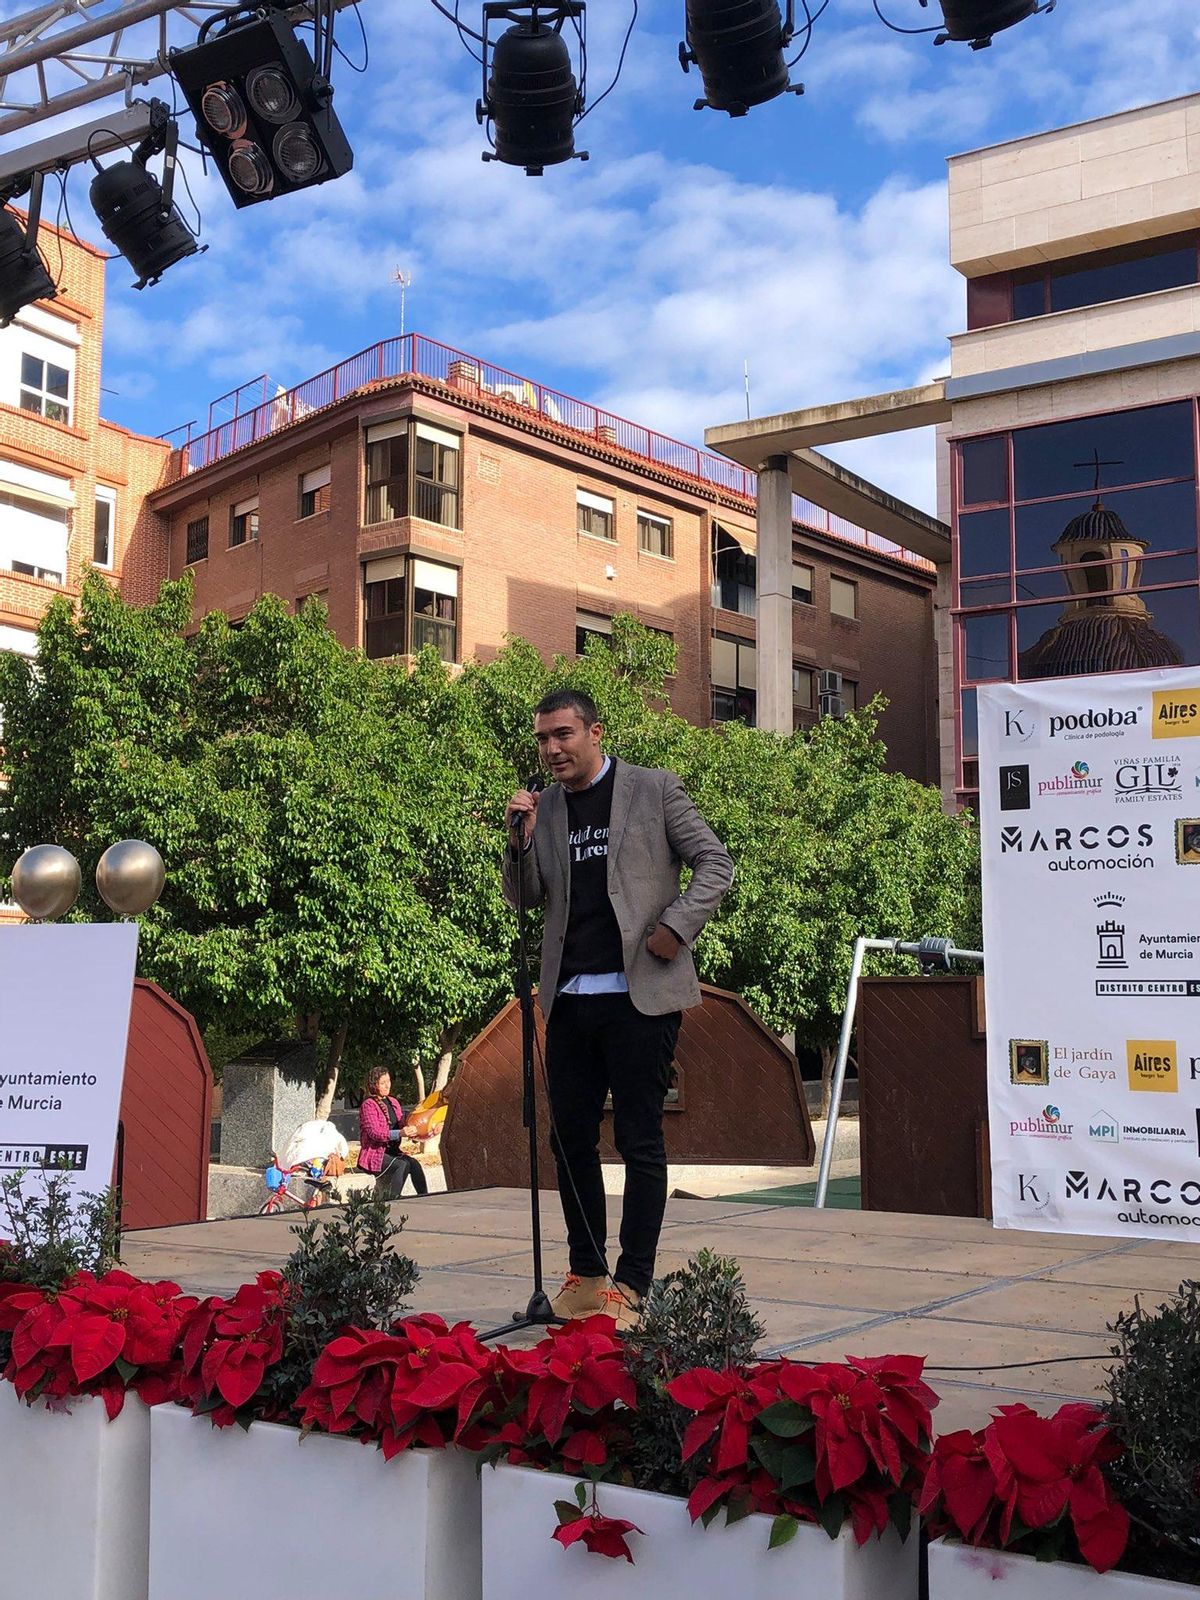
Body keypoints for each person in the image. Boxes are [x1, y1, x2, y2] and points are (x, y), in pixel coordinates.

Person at [503, 688, 733, 1332]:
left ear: (595, 733)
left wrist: (678, 926)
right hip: (570, 999)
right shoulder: (543, 810)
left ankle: (633, 1283)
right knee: (568, 1137)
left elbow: (715, 862)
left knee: (639, 1139)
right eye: (543, 738)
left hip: (641, 999)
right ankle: (586, 1273)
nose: (551, 749)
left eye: (563, 735)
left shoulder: (653, 789)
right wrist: (517, 840)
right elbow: (524, 900)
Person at [357, 1066, 428, 1198]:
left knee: (414, 1164)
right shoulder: (368, 1105)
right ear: (374, 1085)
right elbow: (375, 1133)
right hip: (375, 1153)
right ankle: (392, 1200)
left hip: (393, 1152)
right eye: (382, 1083)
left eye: (388, 1081)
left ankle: (425, 1197)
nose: (387, 1085)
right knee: (402, 1165)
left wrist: (414, 1126)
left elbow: (402, 1123)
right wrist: (400, 1133)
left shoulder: (393, 1101)